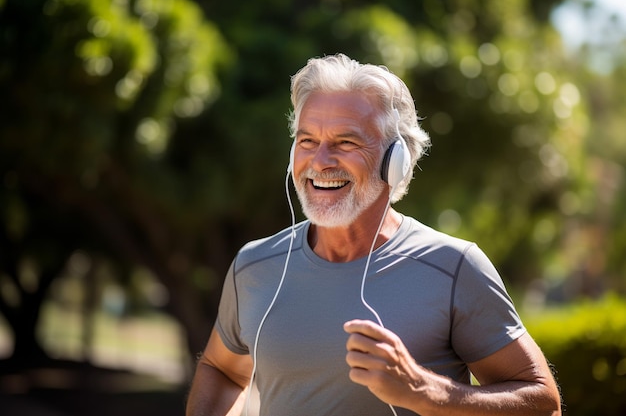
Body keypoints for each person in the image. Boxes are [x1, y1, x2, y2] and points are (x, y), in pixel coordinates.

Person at [185, 53, 562, 416]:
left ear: (395, 160)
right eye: (307, 141)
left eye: (345, 142)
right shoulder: (254, 265)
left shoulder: (454, 268)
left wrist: (427, 393)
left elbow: (543, 405)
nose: (320, 162)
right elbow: (223, 370)